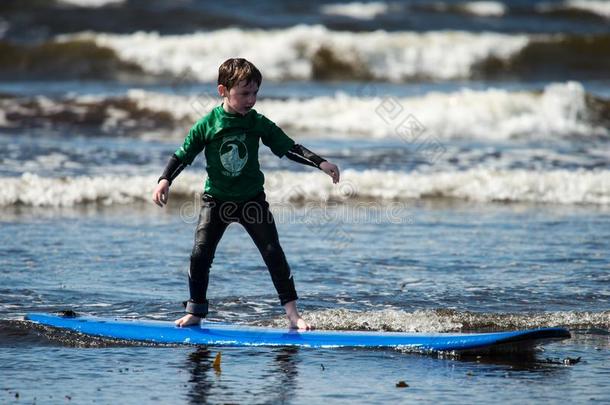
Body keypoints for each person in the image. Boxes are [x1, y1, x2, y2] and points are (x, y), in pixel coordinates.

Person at [152, 58, 340, 330]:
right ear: (223, 91)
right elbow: (183, 154)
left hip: (252, 200)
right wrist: (164, 179)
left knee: (273, 252)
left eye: (254, 93)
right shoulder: (208, 124)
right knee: (200, 254)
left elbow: (288, 147)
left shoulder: (257, 123)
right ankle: (195, 311)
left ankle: (293, 314)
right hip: (216, 201)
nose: (250, 100)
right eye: (243, 93)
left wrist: (321, 162)